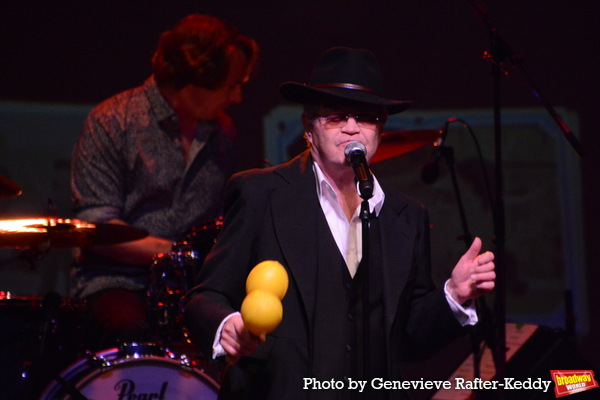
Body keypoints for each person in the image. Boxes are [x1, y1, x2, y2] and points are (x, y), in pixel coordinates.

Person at [184, 47, 495, 400]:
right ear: (309, 128)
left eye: (365, 118)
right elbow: (206, 295)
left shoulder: (406, 217)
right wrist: (227, 326)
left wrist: (453, 295)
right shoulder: (261, 194)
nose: (351, 128)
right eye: (336, 116)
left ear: (380, 130)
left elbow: (407, 339)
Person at [70, 14, 259, 352]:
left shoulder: (223, 134)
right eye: (230, 86)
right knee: (127, 327)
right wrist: (178, 254)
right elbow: (95, 228)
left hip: (193, 287)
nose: (237, 98)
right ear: (190, 83)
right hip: (118, 282)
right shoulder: (112, 121)